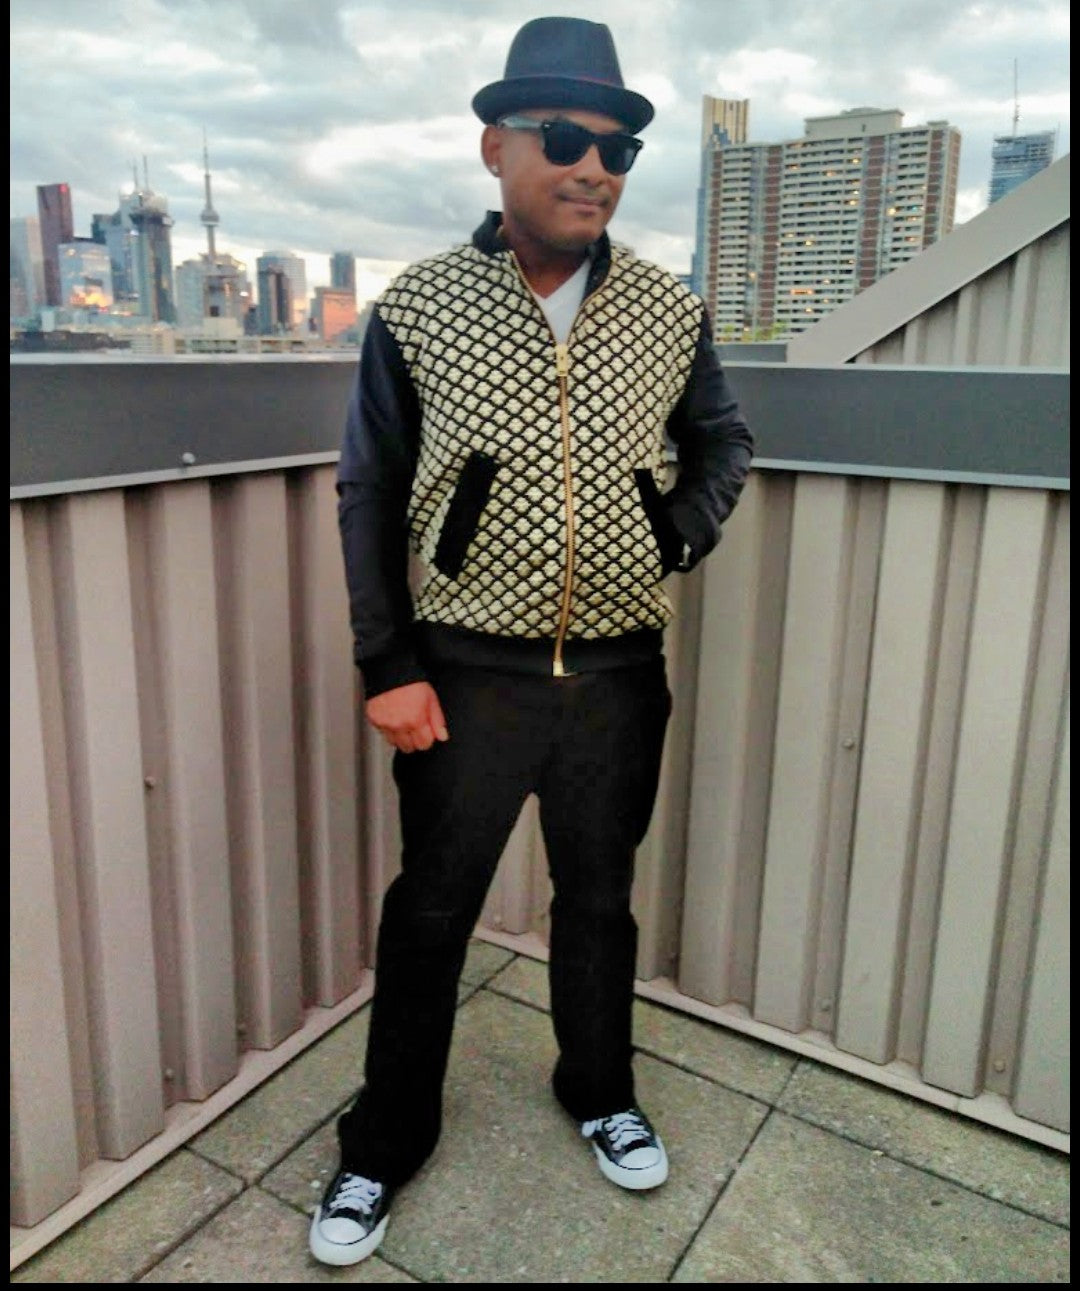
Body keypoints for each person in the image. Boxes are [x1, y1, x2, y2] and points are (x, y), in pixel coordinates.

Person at [310, 15, 754, 1267]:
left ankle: (597, 1088)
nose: (593, 166)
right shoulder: (420, 306)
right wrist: (385, 664)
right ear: (496, 147)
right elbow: (369, 489)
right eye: (564, 138)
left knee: (600, 902)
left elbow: (724, 442)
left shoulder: (670, 307)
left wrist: (668, 535)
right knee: (433, 911)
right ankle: (382, 1144)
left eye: (616, 148)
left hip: (618, 672)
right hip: (463, 672)